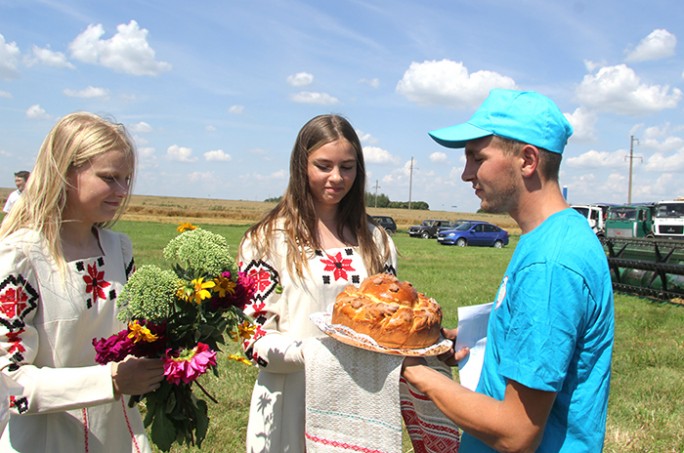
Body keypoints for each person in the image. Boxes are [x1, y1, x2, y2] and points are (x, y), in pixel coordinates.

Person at [402, 89, 615, 452]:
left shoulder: (550, 263)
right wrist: (480, 336)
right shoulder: (555, 236)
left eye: (476, 158)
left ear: (527, 160)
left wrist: (413, 370)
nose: (466, 174)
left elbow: (517, 433)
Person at [0, 112, 164, 452]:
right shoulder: (21, 257)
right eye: (109, 178)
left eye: (127, 179)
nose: (122, 191)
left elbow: (132, 332)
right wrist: (110, 381)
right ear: (65, 171)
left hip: (120, 434)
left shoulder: (119, 248)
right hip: (47, 438)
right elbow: (9, 383)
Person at [238, 114, 398, 452]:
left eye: (348, 167)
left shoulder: (376, 240)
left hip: (360, 399)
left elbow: (390, 322)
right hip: (290, 400)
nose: (337, 178)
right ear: (301, 166)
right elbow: (252, 338)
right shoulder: (267, 240)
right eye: (323, 166)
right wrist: (315, 354)